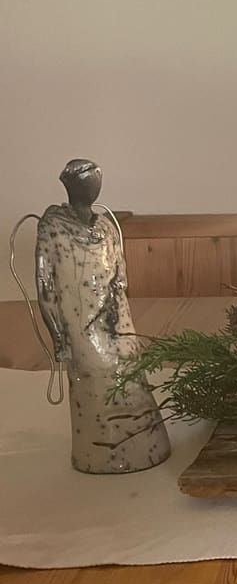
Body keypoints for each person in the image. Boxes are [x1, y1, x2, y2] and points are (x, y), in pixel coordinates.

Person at [34, 160, 171, 473]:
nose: (95, 187)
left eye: (97, 180)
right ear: (72, 185)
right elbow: (45, 286)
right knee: (95, 378)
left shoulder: (107, 225)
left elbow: (121, 276)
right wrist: (57, 334)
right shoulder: (53, 227)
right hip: (81, 325)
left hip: (117, 321)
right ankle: (100, 453)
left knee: (132, 375)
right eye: (90, 181)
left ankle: (142, 444)